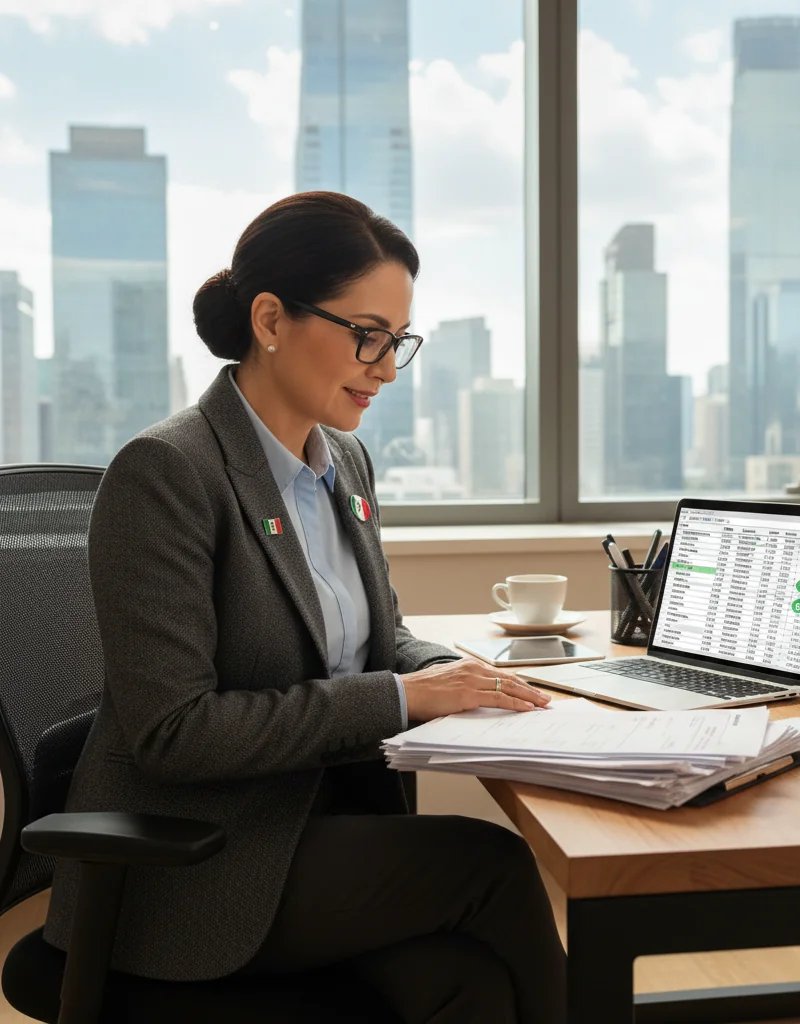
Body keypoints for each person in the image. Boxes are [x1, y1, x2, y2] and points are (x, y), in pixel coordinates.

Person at [43, 191, 567, 1023]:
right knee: (490, 866)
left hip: (319, 823)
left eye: (397, 342)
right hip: (197, 858)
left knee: (471, 982)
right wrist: (400, 699)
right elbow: (173, 731)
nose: (386, 368)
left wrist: (456, 676)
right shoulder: (168, 473)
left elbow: (379, 636)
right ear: (271, 319)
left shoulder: (343, 464)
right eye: (365, 335)